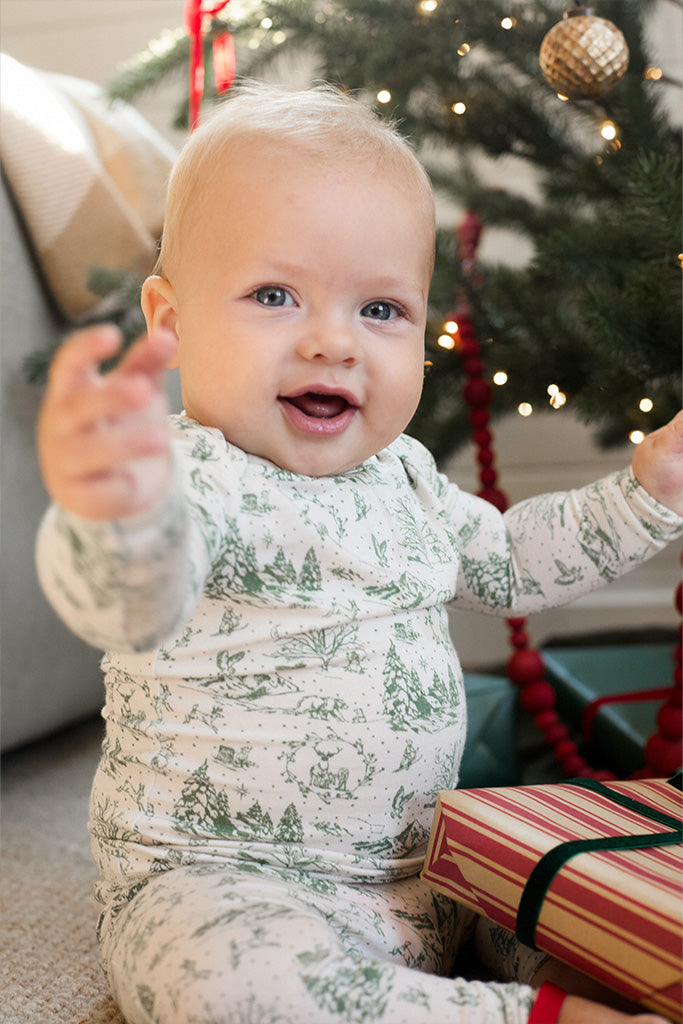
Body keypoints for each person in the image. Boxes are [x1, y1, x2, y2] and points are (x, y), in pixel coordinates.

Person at [36, 82, 682, 1024]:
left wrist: (646, 493)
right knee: (214, 981)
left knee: (575, 905)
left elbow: (508, 563)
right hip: (226, 881)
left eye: (381, 310)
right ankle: (522, 1017)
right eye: (273, 295)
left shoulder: (407, 477)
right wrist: (113, 514)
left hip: (431, 872)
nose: (333, 342)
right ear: (170, 323)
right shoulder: (188, 477)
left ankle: (568, 981)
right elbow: (129, 592)